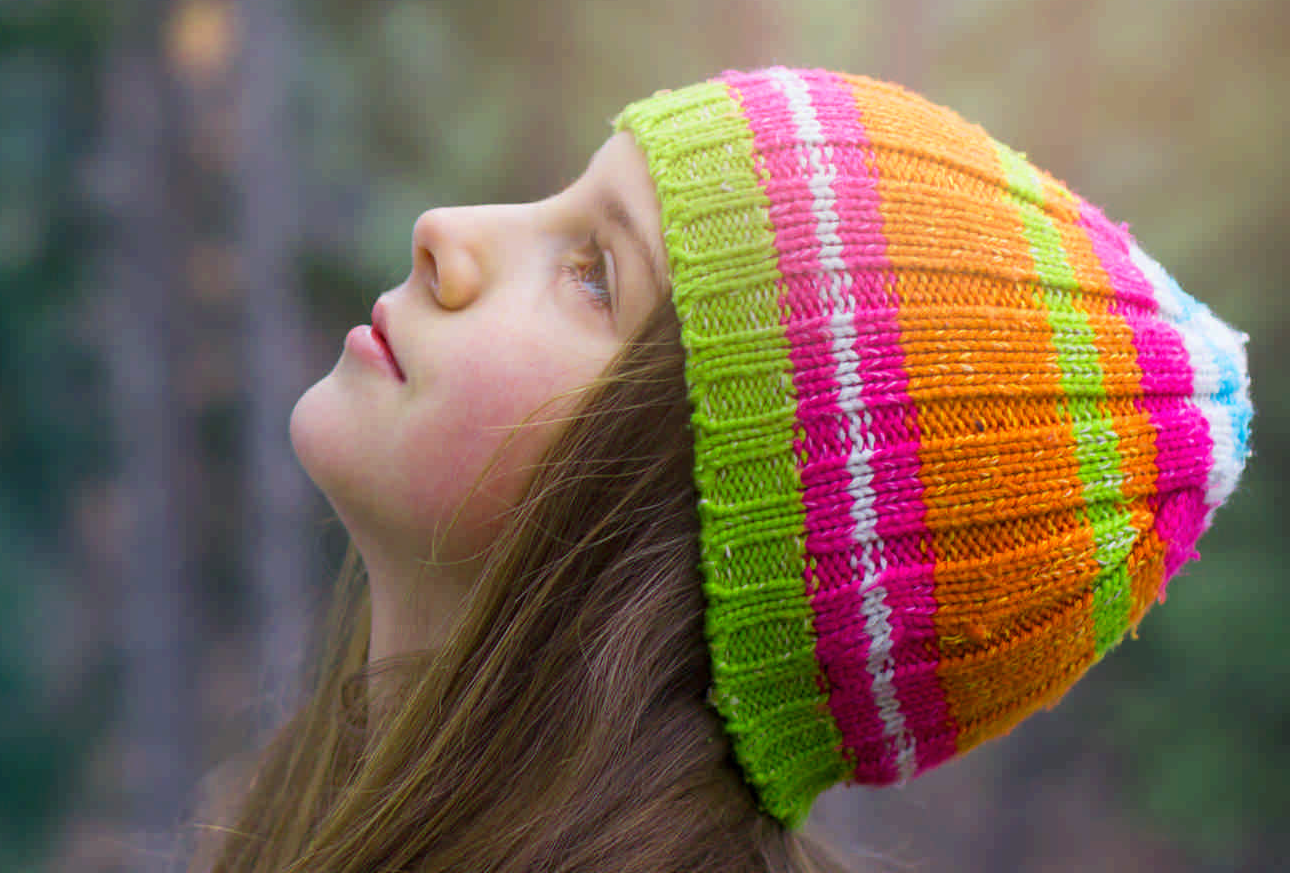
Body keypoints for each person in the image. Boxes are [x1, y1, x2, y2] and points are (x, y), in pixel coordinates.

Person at [191, 67, 1253, 872]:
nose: (447, 232)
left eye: (593, 276)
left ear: (700, 549)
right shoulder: (295, 812)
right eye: (559, 205)